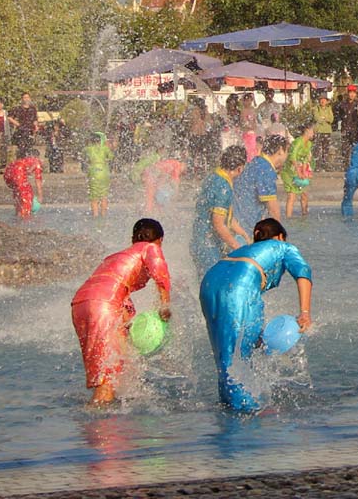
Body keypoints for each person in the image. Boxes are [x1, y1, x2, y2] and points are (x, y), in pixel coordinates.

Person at [199, 218, 312, 411]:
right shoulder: (283, 246)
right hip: (239, 286)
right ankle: (247, 409)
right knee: (238, 356)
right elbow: (303, 272)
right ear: (280, 236)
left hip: (209, 284)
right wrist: (304, 312)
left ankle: (227, 405)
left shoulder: (245, 250)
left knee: (225, 356)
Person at [71, 219, 172, 405]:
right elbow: (161, 274)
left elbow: (117, 292)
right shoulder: (150, 248)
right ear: (160, 240)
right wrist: (165, 306)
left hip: (80, 305)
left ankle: (108, 407)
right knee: (107, 380)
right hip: (103, 305)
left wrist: (129, 324)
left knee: (111, 365)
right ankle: (100, 426)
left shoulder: (116, 257)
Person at [191, 146, 250, 278]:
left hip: (199, 239)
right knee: (214, 283)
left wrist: (242, 233)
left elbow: (225, 217)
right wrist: (237, 247)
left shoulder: (214, 176)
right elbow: (218, 223)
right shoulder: (224, 187)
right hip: (208, 245)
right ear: (240, 168)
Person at [232, 134, 288, 231]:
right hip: (244, 227)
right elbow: (273, 209)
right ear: (280, 151)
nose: (287, 156)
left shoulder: (256, 162)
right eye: (287, 151)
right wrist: (279, 238)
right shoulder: (265, 169)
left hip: (235, 223)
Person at [282, 122, 316, 218]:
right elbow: (292, 157)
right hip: (290, 171)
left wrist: (304, 172)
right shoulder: (298, 141)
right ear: (307, 131)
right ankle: (289, 218)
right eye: (313, 131)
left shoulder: (309, 143)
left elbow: (305, 159)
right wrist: (298, 172)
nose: (314, 134)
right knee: (292, 196)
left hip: (300, 169)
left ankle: (304, 216)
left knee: (304, 194)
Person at [3, 150, 43, 218]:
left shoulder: (23, 160)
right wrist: (40, 196)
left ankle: (18, 215)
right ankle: (25, 219)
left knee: (19, 193)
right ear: (37, 157)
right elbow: (38, 180)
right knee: (27, 194)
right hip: (18, 172)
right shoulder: (37, 161)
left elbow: (26, 171)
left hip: (9, 171)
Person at [84, 132, 114, 217]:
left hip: (94, 171)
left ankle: (95, 215)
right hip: (104, 171)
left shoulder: (88, 149)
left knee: (94, 195)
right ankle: (103, 214)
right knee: (104, 194)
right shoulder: (105, 148)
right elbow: (111, 157)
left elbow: (83, 155)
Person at [8, 92, 38, 159]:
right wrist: (17, 124)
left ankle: (27, 164)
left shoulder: (33, 109)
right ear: (22, 99)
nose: (26, 99)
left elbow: (35, 119)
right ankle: (20, 163)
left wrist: (36, 127)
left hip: (30, 131)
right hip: (21, 131)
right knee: (21, 148)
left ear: (30, 99)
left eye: (27, 97)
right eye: (24, 97)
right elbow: (9, 117)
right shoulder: (18, 108)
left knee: (29, 148)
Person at [336, 85, 358, 165]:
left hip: (355, 128)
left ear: (356, 94)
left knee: (355, 147)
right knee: (345, 147)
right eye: (350, 93)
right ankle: (345, 163)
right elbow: (339, 115)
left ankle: (355, 163)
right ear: (348, 93)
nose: (352, 94)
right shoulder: (342, 104)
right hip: (345, 128)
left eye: (354, 93)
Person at [312, 93, 334, 168]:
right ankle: (317, 165)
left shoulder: (329, 108)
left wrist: (324, 118)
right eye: (321, 99)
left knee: (326, 149)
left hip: (327, 131)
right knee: (317, 149)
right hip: (318, 130)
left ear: (327, 101)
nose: (322, 101)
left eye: (324, 99)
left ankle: (325, 164)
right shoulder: (316, 108)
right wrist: (324, 118)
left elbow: (331, 119)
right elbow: (316, 118)